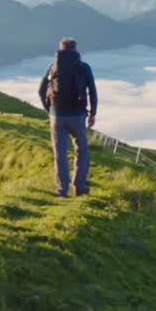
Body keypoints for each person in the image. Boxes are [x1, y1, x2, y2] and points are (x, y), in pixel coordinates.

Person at [38, 37, 98, 197]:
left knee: (60, 153)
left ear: (61, 49)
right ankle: (79, 187)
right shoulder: (83, 67)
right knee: (82, 150)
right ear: (75, 49)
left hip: (56, 116)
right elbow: (92, 91)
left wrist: (50, 110)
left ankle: (61, 190)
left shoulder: (53, 68)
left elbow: (40, 90)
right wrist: (93, 114)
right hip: (77, 115)